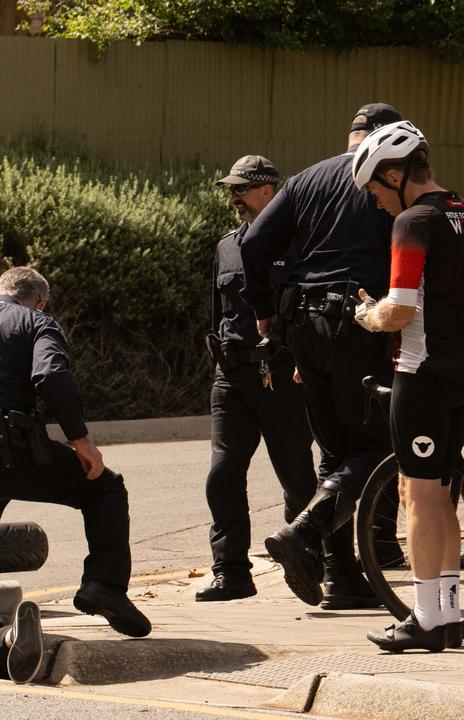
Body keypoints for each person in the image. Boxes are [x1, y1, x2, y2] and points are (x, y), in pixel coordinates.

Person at [0, 266, 151, 648]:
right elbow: (51, 376)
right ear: (39, 301)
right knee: (104, 488)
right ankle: (104, 586)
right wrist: (80, 441)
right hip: (10, 454)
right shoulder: (36, 321)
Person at [241, 103, 402, 609]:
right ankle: (304, 532)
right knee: (377, 445)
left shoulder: (308, 178)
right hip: (357, 323)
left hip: (304, 327)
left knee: (333, 452)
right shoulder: (384, 182)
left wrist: (265, 310)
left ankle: (341, 578)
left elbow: (252, 245)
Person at [349, 122, 464, 652]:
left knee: (417, 496)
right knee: (442, 498)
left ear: (395, 175)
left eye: (375, 188)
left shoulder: (414, 223)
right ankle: (450, 613)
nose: (375, 202)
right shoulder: (460, 211)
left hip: (423, 377)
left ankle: (424, 620)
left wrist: (366, 314)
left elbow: (399, 311)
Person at [199, 156, 317, 602]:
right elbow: (219, 312)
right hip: (232, 374)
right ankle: (231, 572)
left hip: (284, 374)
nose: (234, 198)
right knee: (223, 475)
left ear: (269, 191)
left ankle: (307, 560)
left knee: (297, 477)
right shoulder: (226, 246)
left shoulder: (299, 244)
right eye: (230, 189)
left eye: (241, 189)